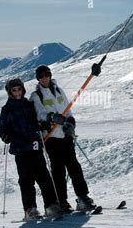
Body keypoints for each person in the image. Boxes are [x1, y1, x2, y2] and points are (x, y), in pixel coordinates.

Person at [30, 66, 96, 213]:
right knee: (58, 170)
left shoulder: (59, 91)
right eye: (41, 76)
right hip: (51, 137)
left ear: (50, 75)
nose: (44, 78)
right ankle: (62, 201)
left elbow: (68, 109)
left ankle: (82, 198)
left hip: (65, 136)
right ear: (38, 79)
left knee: (74, 167)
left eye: (46, 75)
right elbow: (40, 114)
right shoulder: (36, 96)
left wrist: (70, 124)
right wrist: (51, 117)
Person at [0, 78, 62, 221]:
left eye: (19, 89)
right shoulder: (7, 109)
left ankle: (51, 205)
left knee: (44, 177)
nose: (17, 92)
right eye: (14, 90)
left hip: (35, 145)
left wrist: (43, 126)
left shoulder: (29, 105)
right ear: (9, 92)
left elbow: (37, 120)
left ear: (23, 90)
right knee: (26, 180)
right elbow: (2, 127)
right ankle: (30, 209)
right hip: (20, 149)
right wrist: (5, 135)